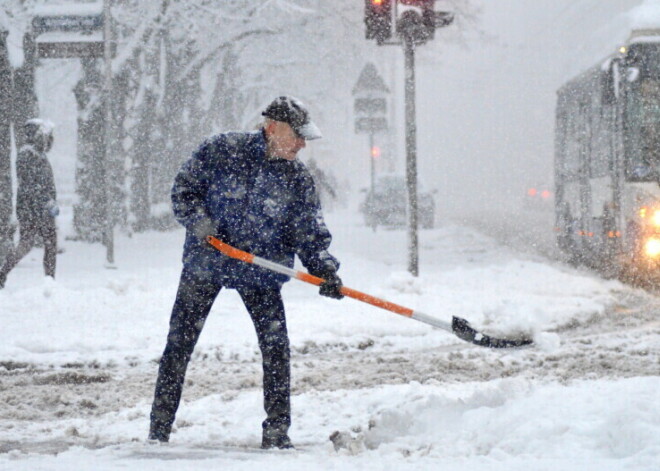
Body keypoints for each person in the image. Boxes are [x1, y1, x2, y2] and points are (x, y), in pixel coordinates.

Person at [148, 96, 344, 449]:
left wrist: (325, 270)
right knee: (179, 346)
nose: (301, 145)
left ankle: (276, 433)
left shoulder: (297, 177)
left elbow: (308, 231)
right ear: (273, 128)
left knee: (276, 349)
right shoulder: (222, 151)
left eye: (304, 138)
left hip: (261, 272)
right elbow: (183, 191)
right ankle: (158, 430)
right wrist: (202, 225)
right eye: (297, 136)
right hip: (206, 264)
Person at [0, 119, 58, 289]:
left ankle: (49, 280)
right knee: (33, 244)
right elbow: (30, 185)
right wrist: (46, 202)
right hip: (33, 209)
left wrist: (50, 201)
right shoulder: (28, 154)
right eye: (47, 136)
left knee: (36, 244)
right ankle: (49, 281)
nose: (49, 140)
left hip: (38, 208)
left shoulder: (37, 154)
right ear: (37, 135)